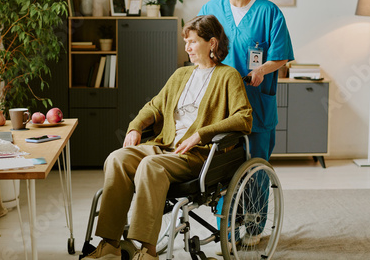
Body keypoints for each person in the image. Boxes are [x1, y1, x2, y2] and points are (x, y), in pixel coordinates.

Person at [83, 14, 253, 260]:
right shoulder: (181, 75)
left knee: (150, 166)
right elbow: (154, 106)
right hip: (164, 146)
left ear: (212, 43)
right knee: (117, 159)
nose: (187, 47)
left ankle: (147, 250)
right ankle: (110, 244)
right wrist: (135, 127)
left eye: (193, 42)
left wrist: (200, 134)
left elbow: (243, 117)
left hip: (196, 155)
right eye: (186, 41)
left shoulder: (228, 76)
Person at [199, 0, 294, 246]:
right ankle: (224, 231)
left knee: (255, 169)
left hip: (256, 103)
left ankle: (253, 229)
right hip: (222, 105)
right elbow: (199, 48)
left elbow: (281, 56)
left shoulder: (268, 12)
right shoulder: (211, 9)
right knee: (222, 170)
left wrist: (263, 69)